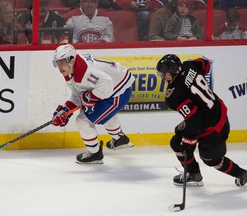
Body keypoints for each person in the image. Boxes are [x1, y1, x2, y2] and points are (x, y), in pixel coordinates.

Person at [156, 54, 247, 187]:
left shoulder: (173, 95)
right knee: (177, 141)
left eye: (163, 74)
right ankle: (193, 174)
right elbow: (205, 63)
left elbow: (194, 119)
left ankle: (241, 173)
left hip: (213, 126)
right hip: (216, 110)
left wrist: (189, 142)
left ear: (169, 74)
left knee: (211, 159)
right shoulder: (189, 65)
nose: (162, 77)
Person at [51, 44, 135, 164]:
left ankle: (95, 154)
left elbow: (107, 83)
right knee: (103, 113)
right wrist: (65, 111)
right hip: (111, 88)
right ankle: (120, 139)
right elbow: (78, 94)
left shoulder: (85, 72)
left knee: (82, 121)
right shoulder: (72, 70)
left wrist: (89, 98)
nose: (60, 67)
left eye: (63, 62)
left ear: (72, 59)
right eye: (58, 63)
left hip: (118, 91)